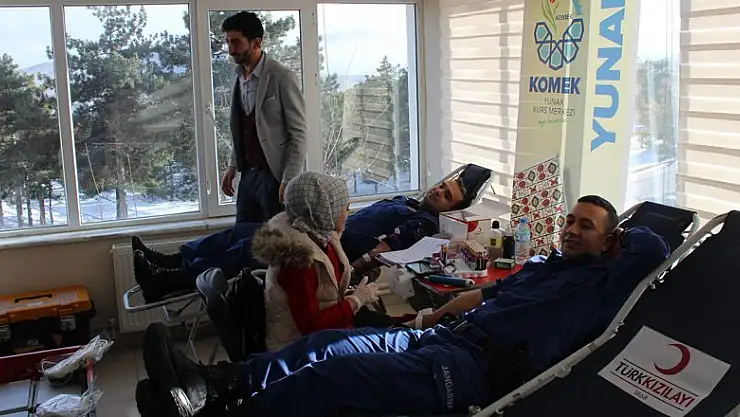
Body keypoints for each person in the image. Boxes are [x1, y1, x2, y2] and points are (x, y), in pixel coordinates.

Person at [135, 195, 672, 417]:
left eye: (587, 226)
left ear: (611, 241)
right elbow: (483, 295)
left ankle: (222, 412)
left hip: (474, 369)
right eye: (570, 220)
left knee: (339, 376)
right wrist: (427, 316)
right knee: (330, 344)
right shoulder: (545, 266)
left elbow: (654, 249)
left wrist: (623, 235)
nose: (572, 229)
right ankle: (217, 384)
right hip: (444, 336)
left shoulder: (602, 288)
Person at [131, 176, 470, 302]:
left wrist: (349, 270)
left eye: (447, 195)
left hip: (330, 248)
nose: (439, 191)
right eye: (442, 186)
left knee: (249, 249)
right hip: (319, 229)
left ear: (453, 207)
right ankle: (173, 260)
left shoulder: (423, 223)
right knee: (241, 231)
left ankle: (169, 280)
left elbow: (382, 250)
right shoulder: (407, 201)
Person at [250, 171, 380, 351]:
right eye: (346, 207)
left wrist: (351, 296)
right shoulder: (299, 261)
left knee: (390, 327)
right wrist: (356, 300)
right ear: (326, 211)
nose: (348, 213)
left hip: (323, 336)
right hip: (300, 350)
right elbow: (310, 327)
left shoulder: (318, 236)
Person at [220, 12, 306, 224]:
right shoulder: (238, 76)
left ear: (256, 42)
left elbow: (299, 134)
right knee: (243, 235)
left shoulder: (282, 77)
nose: (231, 49)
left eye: (236, 42)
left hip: (274, 176)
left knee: (275, 238)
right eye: (228, 42)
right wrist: (232, 165)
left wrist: (289, 179)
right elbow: (243, 127)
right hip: (248, 176)